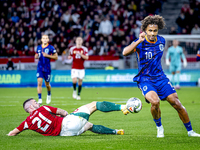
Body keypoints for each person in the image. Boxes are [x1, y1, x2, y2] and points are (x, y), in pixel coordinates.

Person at [122, 15, 200, 138]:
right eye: (150, 31)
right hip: (145, 79)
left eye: (155, 31)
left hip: (161, 78)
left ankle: (190, 131)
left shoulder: (162, 40)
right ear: (145, 31)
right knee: (155, 102)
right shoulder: (140, 43)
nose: (152, 33)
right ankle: (160, 128)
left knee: (177, 103)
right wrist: (138, 41)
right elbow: (125, 52)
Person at [7, 98, 130, 136]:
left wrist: (8, 135)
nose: (37, 103)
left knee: (89, 125)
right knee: (94, 105)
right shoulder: (42, 108)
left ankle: (116, 132)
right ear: (30, 107)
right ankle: (122, 107)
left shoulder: (27, 123)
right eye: (34, 102)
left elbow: (12, 133)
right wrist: (65, 114)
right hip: (67, 122)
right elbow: (63, 112)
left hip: (66, 134)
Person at [34, 34, 58, 105]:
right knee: (39, 83)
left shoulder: (51, 47)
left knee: (47, 84)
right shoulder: (38, 47)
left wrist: (47, 55)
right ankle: (40, 99)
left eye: (46, 38)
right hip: (40, 68)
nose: (45, 39)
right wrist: (36, 56)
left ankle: (49, 94)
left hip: (47, 69)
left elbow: (56, 57)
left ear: (48, 40)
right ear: (41, 39)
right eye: (43, 38)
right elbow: (36, 55)